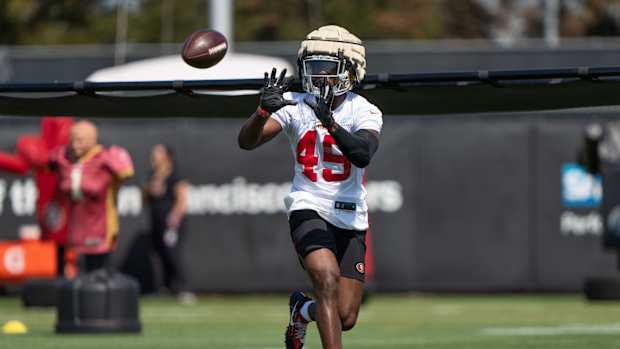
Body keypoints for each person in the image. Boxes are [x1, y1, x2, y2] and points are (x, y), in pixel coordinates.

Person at [238, 25, 382, 349]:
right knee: (326, 277)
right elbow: (246, 142)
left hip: (350, 215)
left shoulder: (364, 110)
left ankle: (302, 310)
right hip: (309, 205)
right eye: (313, 67)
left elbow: (362, 154)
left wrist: (330, 121)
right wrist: (262, 112)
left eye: (327, 69)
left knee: (346, 316)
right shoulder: (296, 103)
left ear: (350, 71)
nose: (319, 76)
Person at [49, 120, 134, 272]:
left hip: (100, 226)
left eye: (80, 140)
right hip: (76, 227)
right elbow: (47, 163)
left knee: (98, 273)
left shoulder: (106, 158)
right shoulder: (63, 158)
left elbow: (125, 171)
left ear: (92, 140)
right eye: (72, 140)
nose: (75, 145)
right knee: (78, 276)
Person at [0, 117, 73, 276]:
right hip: (50, 198)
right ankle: (62, 271)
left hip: (66, 199)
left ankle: (70, 269)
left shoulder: (67, 151)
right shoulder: (43, 150)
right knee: (54, 238)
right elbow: (23, 165)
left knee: (68, 239)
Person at [143, 144, 195, 304]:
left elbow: (182, 200)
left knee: (172, 253)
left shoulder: (176, 175)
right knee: (160, 253)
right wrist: (149, 189)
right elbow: (144, 199)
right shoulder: (152, 176)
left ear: (167, 156)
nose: (154, 157)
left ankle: (183, 288)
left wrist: (174, 218)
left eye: (158, 154)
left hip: (171, 223)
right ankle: (166, 287)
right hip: (156, 221)